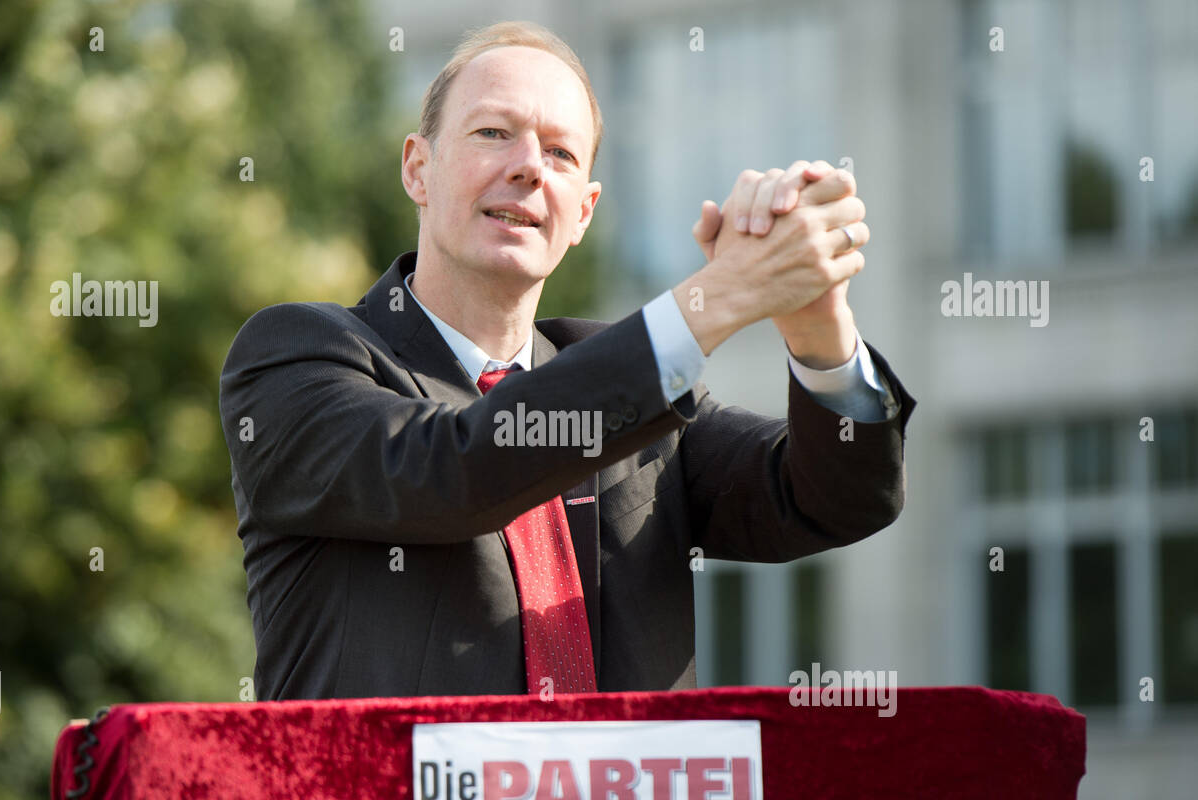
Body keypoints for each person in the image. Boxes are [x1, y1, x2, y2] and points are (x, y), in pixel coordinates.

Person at [219, 21, 917, 701]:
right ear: (417, 168)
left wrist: (816, 318)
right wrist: (721, 297)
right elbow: (457, 466)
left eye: (559, 153)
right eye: (494, 132)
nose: (527, 166)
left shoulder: (643, 401)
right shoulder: (295, 358)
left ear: (582, 212)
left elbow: (839, 499)